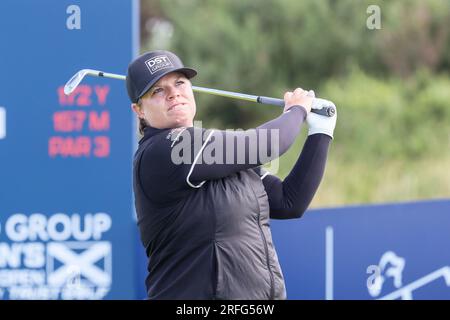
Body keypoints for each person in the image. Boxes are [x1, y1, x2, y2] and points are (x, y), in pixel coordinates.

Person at [127, 50, 337, 300]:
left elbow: (289, 202)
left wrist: (321, 133)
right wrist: (296, 111)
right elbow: (265, 144)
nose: (173, 93)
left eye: (179, 82)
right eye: (157, 90)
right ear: (139, 110)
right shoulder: (162, 151)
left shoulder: (216, 154)